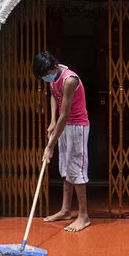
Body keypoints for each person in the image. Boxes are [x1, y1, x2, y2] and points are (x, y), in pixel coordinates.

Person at [32, 51, 90, 232]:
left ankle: (83, 216)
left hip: (76, 126)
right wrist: (51, 120)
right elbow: (52, 97)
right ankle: (65, 210)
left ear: (54, 68)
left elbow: (64, 116)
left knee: (77, 170)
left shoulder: (69, 80)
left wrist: (50, 146)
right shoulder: (53, 76)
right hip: (63, 126)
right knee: (66, 168)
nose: (46, 78)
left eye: (46, 74)